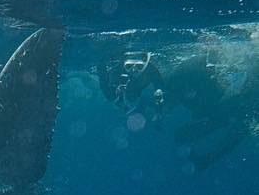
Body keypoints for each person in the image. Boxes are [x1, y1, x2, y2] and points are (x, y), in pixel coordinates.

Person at [99, 37, 259, 168]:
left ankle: (207, 156)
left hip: (225, 104)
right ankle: (206, 155)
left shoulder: (211, 75)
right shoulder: (193, 72)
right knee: (237, 121)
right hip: (219, 102)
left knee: (238, 122)